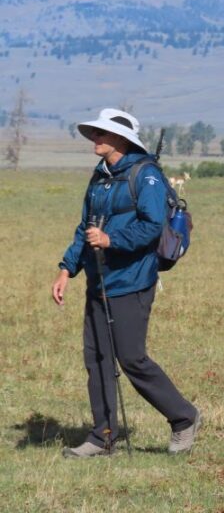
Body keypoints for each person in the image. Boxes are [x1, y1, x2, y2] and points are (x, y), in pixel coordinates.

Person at [51, 108, 201, 458]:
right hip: (97, 280)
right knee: (98, 359)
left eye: (101, 134)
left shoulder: (145, 175)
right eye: (94, 133)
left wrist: (111, 241)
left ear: (121, 139)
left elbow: (151, 226)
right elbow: (84, 227)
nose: (95, 138)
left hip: (132, 281)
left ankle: (184, 417)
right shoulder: (100, 175)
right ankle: (102, 438)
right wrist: (65, 269)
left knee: (132, 358)